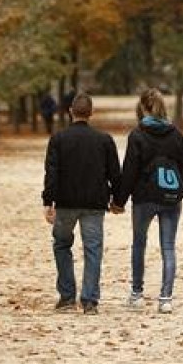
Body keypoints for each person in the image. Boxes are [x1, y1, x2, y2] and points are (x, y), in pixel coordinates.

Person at [114, 88, 183, 314]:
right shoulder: (176, 135)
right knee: (168, 246)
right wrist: (181, 191)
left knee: (139, 244)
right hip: (170, 198)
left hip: (144, 199)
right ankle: (165, 298)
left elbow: (129, 171)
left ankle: (137, 294)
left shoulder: (137, 135)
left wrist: (119, 200)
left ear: (141, 107)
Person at [42, 92, 122, 314]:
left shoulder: (58, 139)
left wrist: (48, 201)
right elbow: (115, 174)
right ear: (91, 113)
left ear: (70, 112)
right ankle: (89, 301)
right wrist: (118, 200)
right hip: (94, 204)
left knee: (61, 245)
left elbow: (52, 173)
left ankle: (67, 297)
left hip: (66, 202)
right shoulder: (104, 140)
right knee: (93, 250)